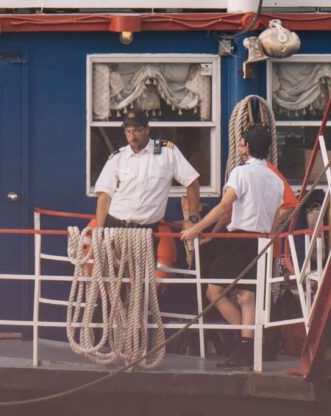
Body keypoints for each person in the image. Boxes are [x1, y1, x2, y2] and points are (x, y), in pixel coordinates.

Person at [177, 123, 289, 342]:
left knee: (213, 292)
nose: (240, 146)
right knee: (247, 296)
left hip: (239, 240)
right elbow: (275, 218)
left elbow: (224, 207)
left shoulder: (240, 172)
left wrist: (195, 230)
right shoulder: (275, 179)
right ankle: (249, 347)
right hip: (262, 242)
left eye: (242, 143)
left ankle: (245, 340)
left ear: (247, 146)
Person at [87, 111, 204, 230]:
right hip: (114, 226)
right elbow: (104, 196)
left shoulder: (168, 152)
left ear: (147, 129)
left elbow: (192, 182)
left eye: (137, 131)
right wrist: (99, 231)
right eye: (128, 131)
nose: (132, 136)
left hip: (146, 231)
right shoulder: (117, 157)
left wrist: (193, 218)